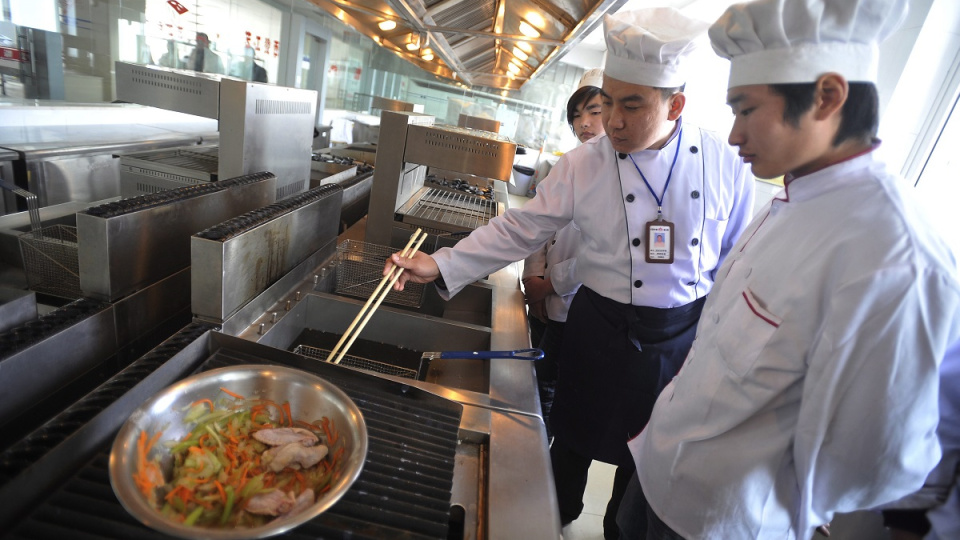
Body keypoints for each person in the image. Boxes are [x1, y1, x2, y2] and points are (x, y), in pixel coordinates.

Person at [385, 8, 756, 539]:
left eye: (632, 105)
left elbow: (732, 264)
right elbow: (522, 227)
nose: (614, 122)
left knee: (641, 475)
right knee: (568, 453)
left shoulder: (726, 163)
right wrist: (441, 262)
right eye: (608, 103)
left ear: (675, 104)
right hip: (597, 330)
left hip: (678, 344)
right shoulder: (585, 163)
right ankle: (549, 525)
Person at [623, 0, 960, 538]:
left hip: (721, 518)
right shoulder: (795, 198)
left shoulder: (893, 255)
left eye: (746, 110)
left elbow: (875, 460)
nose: (734, 136)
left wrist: (780, 502)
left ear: (827, 96)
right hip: (660, 473)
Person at [522, 67, 605, 441]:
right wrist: (532, 277)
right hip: (542, 294)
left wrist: (549, 286)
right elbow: (537, 225)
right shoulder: (566, 164)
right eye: (576, 115)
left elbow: (600, 252)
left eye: (594, 112)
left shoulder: (619, 176)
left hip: (573, 305)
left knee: (547, 389)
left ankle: (535, 459)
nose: (583, 124)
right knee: (532, 383)